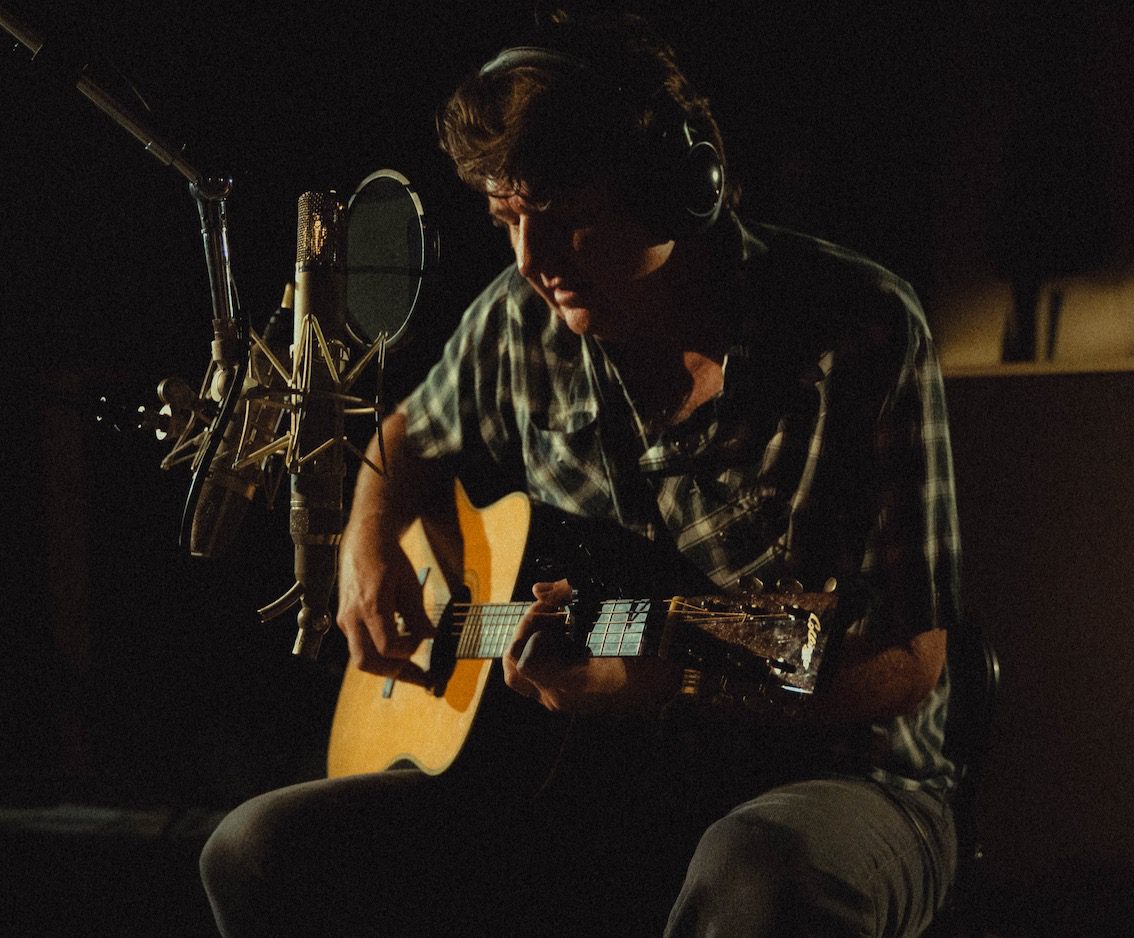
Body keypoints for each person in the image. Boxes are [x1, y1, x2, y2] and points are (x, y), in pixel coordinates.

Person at [201, 10, 962, 937]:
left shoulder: (860, 328)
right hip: (583, 776)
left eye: (569, 222)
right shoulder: (515, 322)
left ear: (680, 191)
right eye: (506, 221)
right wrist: (368, 550)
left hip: (841, 779)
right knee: (257, 848)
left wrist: (667, 676)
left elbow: (903, 659)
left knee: (757, 880)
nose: (531, 264)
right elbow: (406, 436)